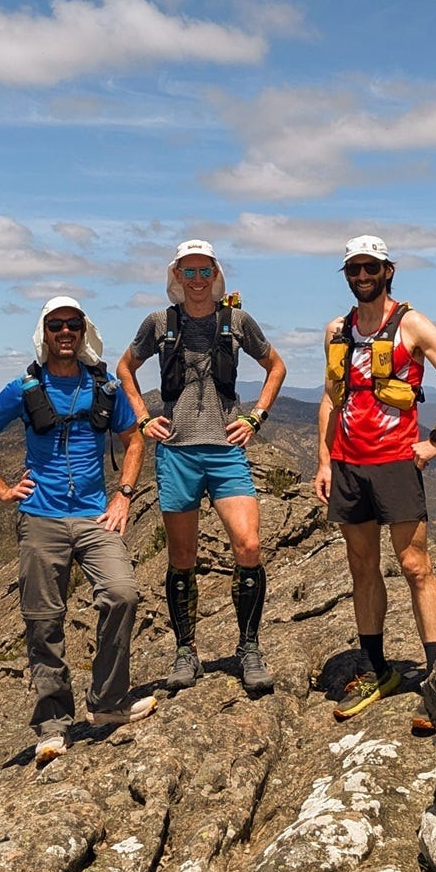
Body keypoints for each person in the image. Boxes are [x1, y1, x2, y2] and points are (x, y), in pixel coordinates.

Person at [0, 296, 153, 766]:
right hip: (41, 517)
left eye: (72, 324)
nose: (64, 332)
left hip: (93, 516)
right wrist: (4, 490)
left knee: (122, 593)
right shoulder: (25, 389)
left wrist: (123, 494)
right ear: (43, 333)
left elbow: (133, 438)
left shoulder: (103, 388)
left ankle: (107, 703)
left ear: (84, 332)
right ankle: (53, 724)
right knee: (44, 621)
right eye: (55, 325)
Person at [314, 235, 436, 721]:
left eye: (371, 268)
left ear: (388, 271)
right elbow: (330, 397)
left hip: (395, 462)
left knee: (413, 565)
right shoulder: (336, 330)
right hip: (347, 463)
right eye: (353, 270)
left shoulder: (410, 324)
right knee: (361, 566)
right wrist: (323, 460)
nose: (362, 277)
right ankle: (377, 668)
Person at [116, 240, 287, 694]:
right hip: (176, 450)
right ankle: (185, 651)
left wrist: (256, 417)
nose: (196, 281)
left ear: (216, 274)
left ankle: (248, 648)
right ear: (176, 276)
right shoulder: (159, 323)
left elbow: (275, 366)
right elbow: (125, 367)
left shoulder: (236, 322)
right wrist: (143, 416)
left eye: (203, 272)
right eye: (187, 273)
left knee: (248, 545)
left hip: (225, 448)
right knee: (182, 558)